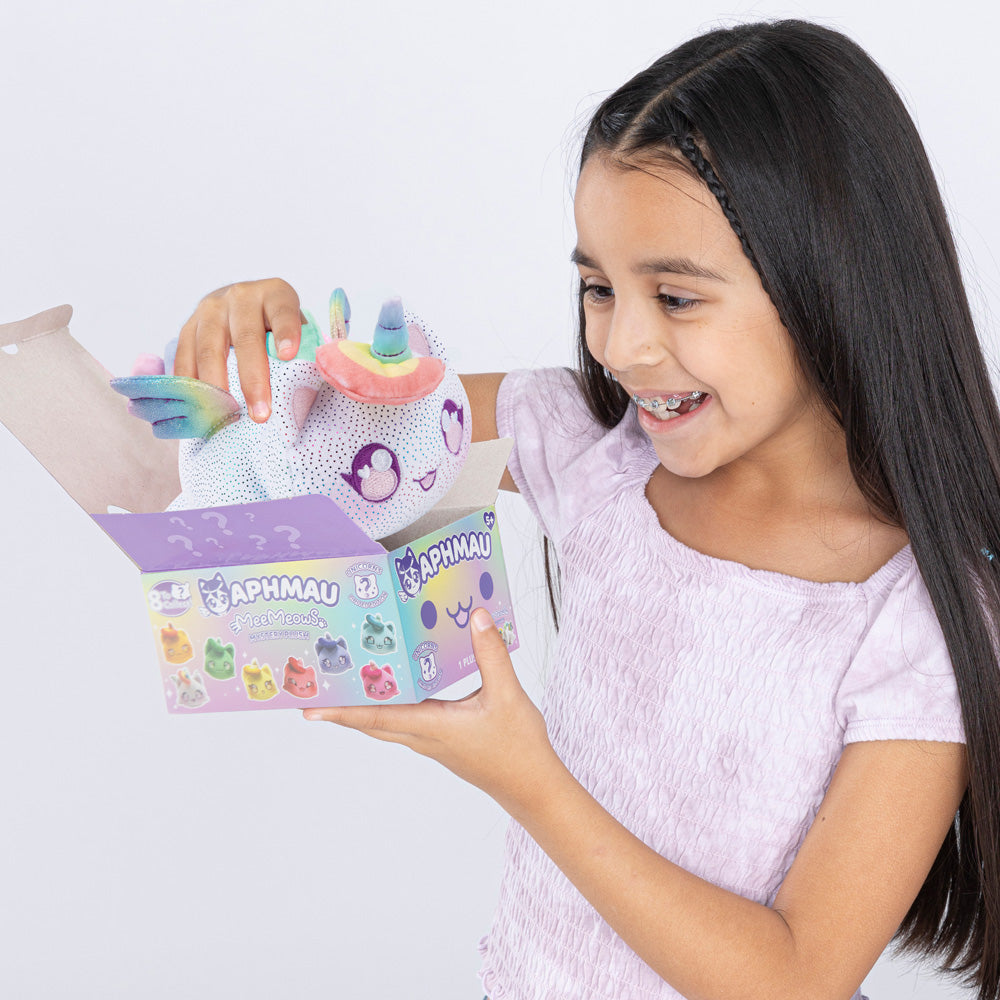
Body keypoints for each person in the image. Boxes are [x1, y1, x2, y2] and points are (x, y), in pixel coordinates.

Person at [171, 20, 999, 1000]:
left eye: (676, 297)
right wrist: (261, 338)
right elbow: (341, 442)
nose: (622, 346)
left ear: (833, 281)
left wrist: (527, 776)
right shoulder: (592, 447)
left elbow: (796, 978)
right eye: (599, 288)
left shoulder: (918, 615)